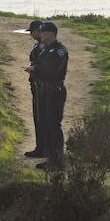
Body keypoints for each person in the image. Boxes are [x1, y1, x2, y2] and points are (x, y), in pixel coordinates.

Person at [27, 21, 70, 170]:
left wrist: (36, 69)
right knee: (45, 123)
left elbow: (51, 69)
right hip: (44, 90)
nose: (41, 34)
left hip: (54, 91)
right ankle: (51, 158)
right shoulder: (46, 49)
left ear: (51, 34)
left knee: (53, 125)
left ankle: (58, 161)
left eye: (43, 32)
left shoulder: (59, 51)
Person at [23, 20, 48, 158]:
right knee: (39, 118)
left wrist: (34, 69)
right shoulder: (41, 45)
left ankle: (42, 149)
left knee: (41, 119)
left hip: (41, 87)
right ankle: (41, 148)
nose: (31, 34)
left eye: (32, 32)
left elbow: (44, 67)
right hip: (38, 85)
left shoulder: (43, 47)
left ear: (38, 31)